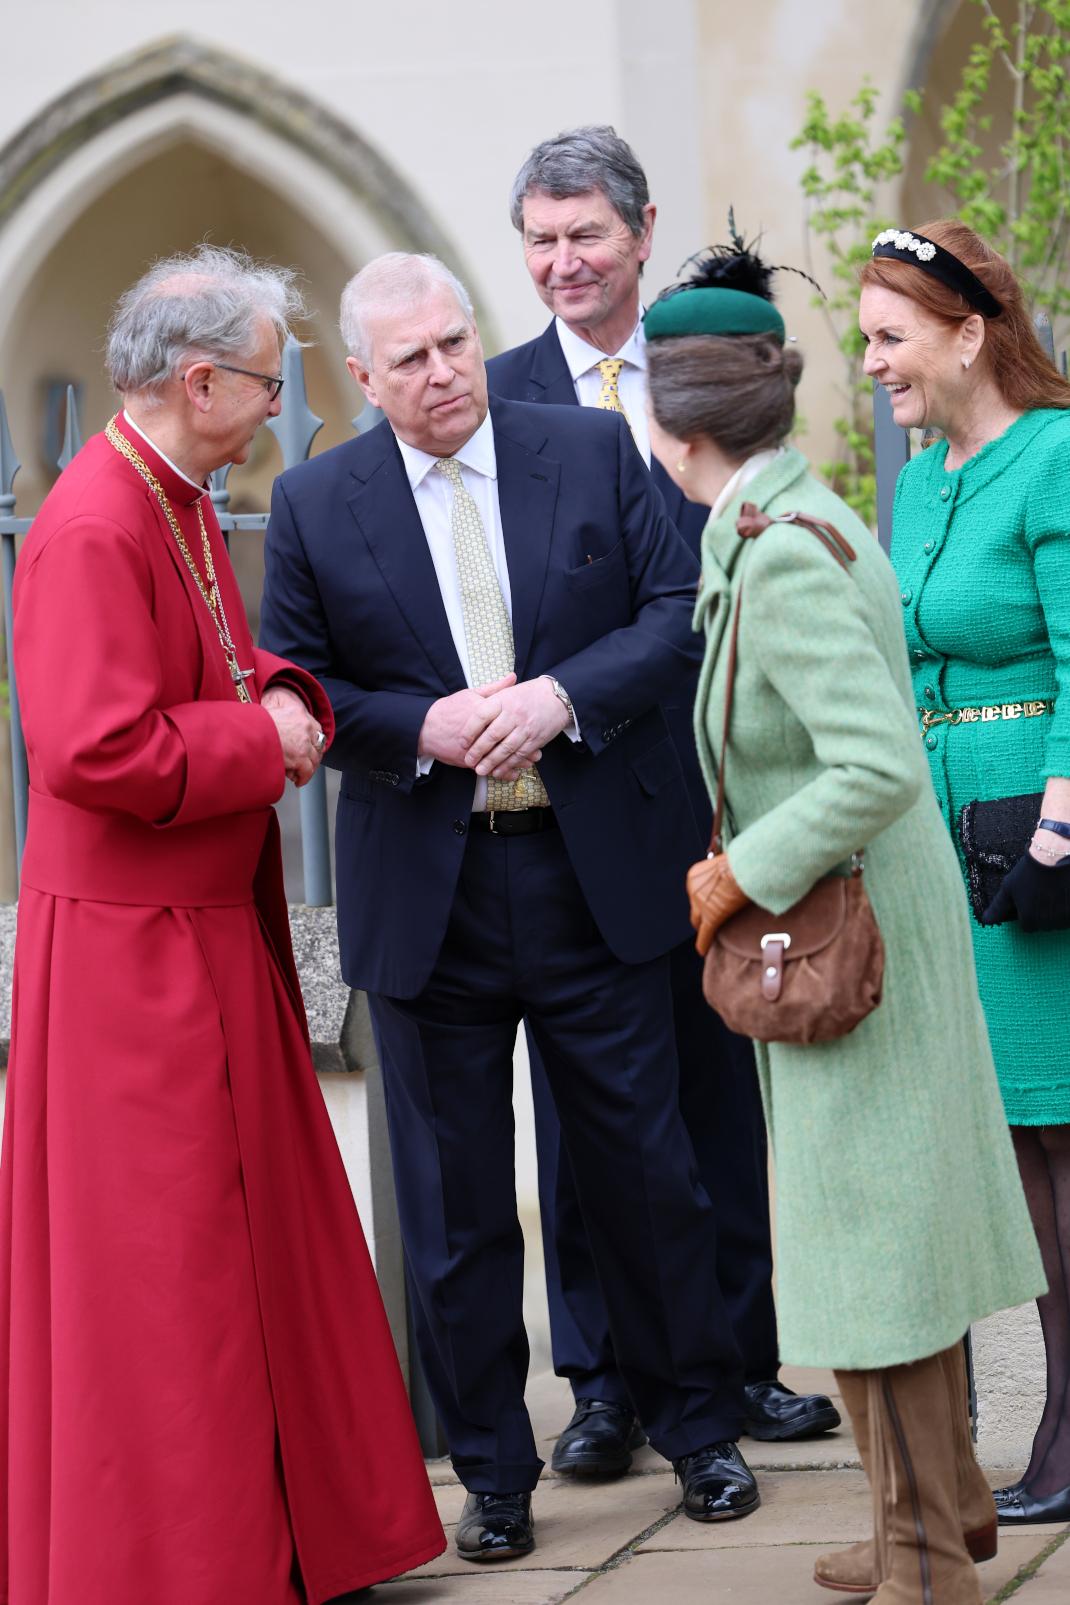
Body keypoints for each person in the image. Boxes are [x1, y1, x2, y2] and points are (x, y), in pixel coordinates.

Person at [260, 250, 763, 1564]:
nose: (443, 374)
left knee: (643, 1170)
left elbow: (675, 614)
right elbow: (300, 685)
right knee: (456, 1201)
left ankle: (696, 1425)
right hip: (430, 891)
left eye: (453, 343)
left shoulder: (588, 450)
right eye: (410, 359)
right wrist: (417, 723)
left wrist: (560, 697)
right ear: (361, 378)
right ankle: (490, 1468)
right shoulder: (318, 501)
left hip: (588, 865)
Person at [0, 246, 445, 1605]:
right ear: (196, 380)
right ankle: (189, 1564)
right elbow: (91, 744)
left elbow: (213, 657)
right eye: (263, 384)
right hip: (131, 961)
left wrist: (280, 693)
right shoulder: (91, 524)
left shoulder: (177, 493)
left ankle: (295, 1536)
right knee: (170, 1272)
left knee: (257, 1248)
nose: (280, 409)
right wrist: (264, 738)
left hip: (197, 928)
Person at [645, 236, 1045, 1604]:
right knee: (873, 1241)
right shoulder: (774, 520)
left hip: (846, 944)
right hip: (856, 934)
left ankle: (929, 1554)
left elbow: (872, 763)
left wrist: (733, 870)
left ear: (668, 421)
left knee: (873, 1248)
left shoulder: (784, 552)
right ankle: (932, 1511)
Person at [486, 124, 837, 1478]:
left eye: (585, 235)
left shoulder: (706, 376)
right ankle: (600, 1383)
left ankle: (741, 1362)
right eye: (540, 239)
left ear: (639, 232)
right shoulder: (497, 393)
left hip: (713, 786)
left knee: (717, 1080)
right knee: (582, 1112)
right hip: (570, 799)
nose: (562, 261)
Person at [860, 219, 1070, 1531]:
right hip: (941, 847)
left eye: (889, 341)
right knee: (1010, 1145)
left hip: (1033, 839)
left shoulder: (1052, 456)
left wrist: (1058, 828)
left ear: (965, 331)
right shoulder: (922, 475)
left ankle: (1068, 1416)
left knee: (1057, 1137)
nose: (875, 368)